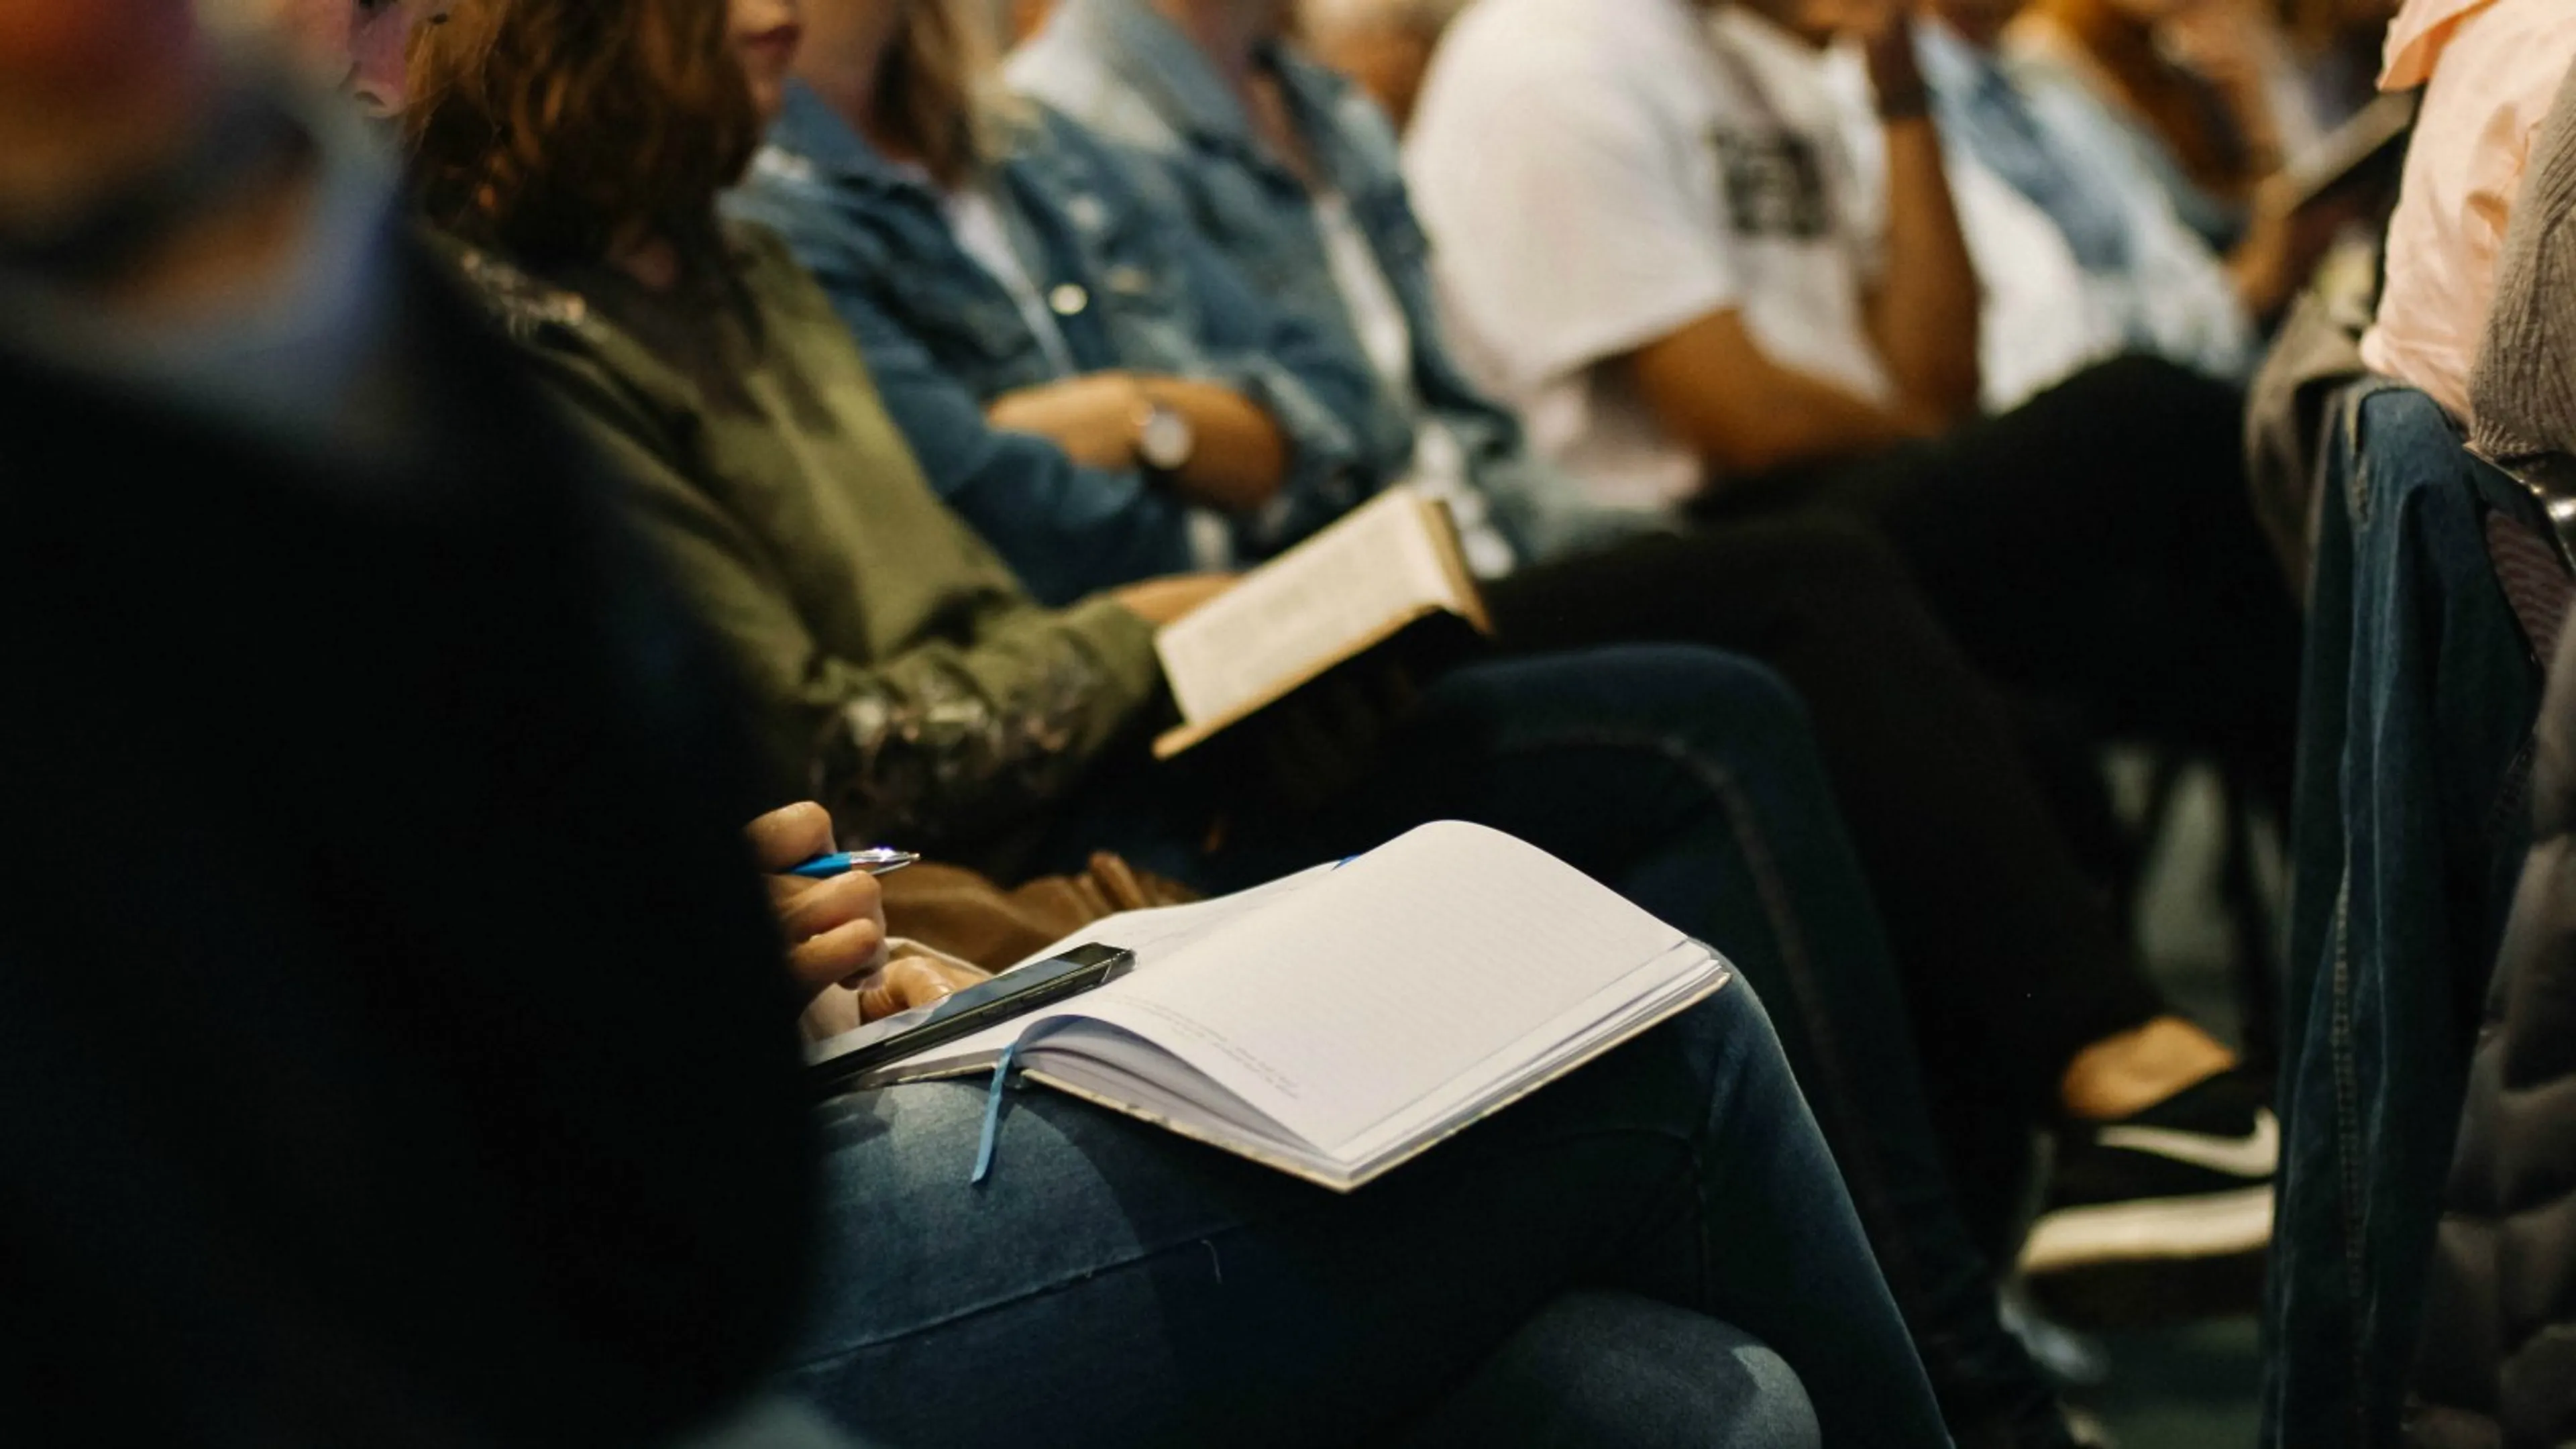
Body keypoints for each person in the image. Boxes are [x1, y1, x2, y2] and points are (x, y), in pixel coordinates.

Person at [390, 1, 1968, 1442]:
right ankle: (1989, 1378)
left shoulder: (754, 267)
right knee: (1664, 999)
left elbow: (1278, 432)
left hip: (938, 919)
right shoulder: (504, 338)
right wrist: (1143, 635)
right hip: (790, 1079)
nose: (776, 15)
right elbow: (854, 736)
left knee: (1706, 1401)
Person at [1013, 0, 2288, 1330]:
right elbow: (1284, 457)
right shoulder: (1133, 112)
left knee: (2030, 697)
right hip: (1325, 628)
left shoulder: (1320, 103)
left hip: (1517, 542)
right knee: (2005, 496)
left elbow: (1459, 427)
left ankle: (2134, 1190)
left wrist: (1900, 89)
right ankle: (2152, 1092)